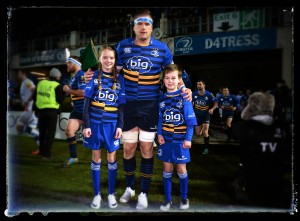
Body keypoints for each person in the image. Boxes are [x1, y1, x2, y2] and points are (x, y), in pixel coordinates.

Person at [84, 9, 192, 210]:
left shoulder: (162, 49)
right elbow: (110, 72)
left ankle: (143, 192)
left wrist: (185, 88)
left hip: (150, 107)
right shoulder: (123, 47)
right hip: (127, 107)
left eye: (148, 24)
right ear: (133, 26)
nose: (143, 27)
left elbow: (173, 74)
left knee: (146, 149)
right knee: (128, 149)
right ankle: (130, 187)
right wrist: (90, 73)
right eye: (140, 23)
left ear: (153, 27)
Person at [82, 45, 126, 209]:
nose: (108, 61)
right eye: (105, 57)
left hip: (112, 126)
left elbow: (121, 106)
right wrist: (86, 125)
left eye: (111, 58)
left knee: (111, 158)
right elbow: (86, 103)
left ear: (115, 60)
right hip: (94, 125)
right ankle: (97, 195)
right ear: (100, 59)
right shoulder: (93, 77)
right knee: (96, 158)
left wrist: (120, 126)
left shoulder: (120, 79)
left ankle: (111, 193)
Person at [231, 92, 287, 206]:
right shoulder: (282, 127)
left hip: (251, 178)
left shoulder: (244, 127)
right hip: (276, 177)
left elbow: (234, 130)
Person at [157, 64, 197, 211]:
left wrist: (188, 139)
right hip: (166, 140)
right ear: (163, 80)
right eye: (167, 78)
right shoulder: (161, 99)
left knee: (181, 169)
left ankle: (184, 197)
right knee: (167, 169)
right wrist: (159, 134)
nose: (170, 81)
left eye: (173, 78)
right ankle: (167, 200)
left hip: (180, 141)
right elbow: (160, 118)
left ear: (179, 80)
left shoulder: (185, 96)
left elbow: (190, 121)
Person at [33, 68, 64, 159]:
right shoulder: (57, 85)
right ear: (57, 77)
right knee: (50, 134)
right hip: (52, 112)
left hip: (41, 112)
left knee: (42, 133)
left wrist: (35, 109)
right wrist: (64, 94)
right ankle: (46, 154)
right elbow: (60, 100)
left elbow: (35, 97)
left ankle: (41, 150)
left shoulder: (40, 83)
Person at [62, 56, 86, 167]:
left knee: (95, 138)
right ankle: (73, 157)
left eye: (69, 63)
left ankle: (110, 158)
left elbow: (83, 92)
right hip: (77, 110)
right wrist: (71, 96)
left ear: (75, 64)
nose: (67, 65)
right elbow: (76, 93)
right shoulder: (75, 76)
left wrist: (68, 90)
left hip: (86, 110)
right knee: (69, 131)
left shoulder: (81, 74)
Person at [15, 70, 40, 153]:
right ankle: (40, 145)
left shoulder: (27, 82)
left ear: (23, 73)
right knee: (23, 127)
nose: (17, 75)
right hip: (28, 109)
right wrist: (23, 102)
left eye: (18, 73)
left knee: (19, 127)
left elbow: (34, 90)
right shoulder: (23, 83)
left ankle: (39, 136)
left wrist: (27, 101)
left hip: (30, 109)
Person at [192, 80, 218, 154]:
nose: (198, 85)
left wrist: (212, 109)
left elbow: (216, 102)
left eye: (200, 84)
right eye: (197, 84)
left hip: (206, 116)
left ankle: (206, 148)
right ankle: (201, 130)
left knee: (205, 132)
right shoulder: (194, 94)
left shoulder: (209, 94)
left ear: (204, 85)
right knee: (197, 134)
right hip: (197, 116)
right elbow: (191, 101)